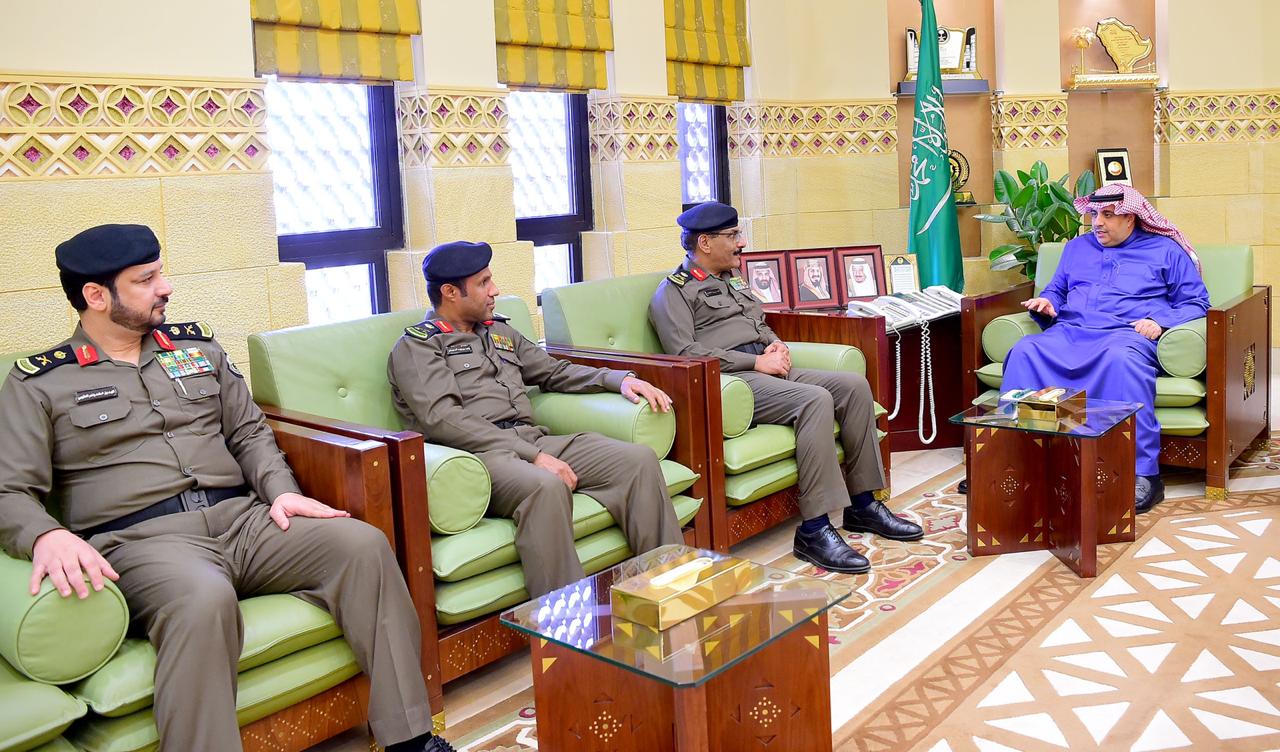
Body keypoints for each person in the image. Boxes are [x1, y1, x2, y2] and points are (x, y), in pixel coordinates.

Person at [0, 225, 451, 752]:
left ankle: (411, 740)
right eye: (146, 280)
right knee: (203, 598)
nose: (165, 287)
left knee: (363, 547)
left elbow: (248, 432)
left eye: (160, 273)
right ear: (96, 296)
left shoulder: (197, 348)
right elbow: (9, 489)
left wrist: (281, 490)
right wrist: (45, 535)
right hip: (145, 544)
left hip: (243, 520)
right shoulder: (40, 384)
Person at [388, 241, 683, 597]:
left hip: (533, 439)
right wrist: (534, 456)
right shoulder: (419, 347)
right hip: (480, 457)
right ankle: (567, 622)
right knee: (546, 486)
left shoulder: (498, 331)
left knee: (637, 460)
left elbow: (552, 371)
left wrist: (617, 379)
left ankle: (668, 591)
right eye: (483, 283)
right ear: (450, 292)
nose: (495, 290)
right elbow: (443, 419)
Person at [649, 202, 922, 574]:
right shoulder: (674, 292)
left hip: (768, 367)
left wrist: (776, 345)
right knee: (815, 400)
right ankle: (814, 530)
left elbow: (759, 323)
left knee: (854, 387)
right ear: (705, 243)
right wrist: (754, 363)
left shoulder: (732, 279)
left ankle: (863, 505)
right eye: (732, 236)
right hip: (734, 382)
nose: (741, 242)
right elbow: (684, 353)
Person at [1002, 185, 1210, 513]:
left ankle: (1141, 474)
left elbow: (1197, 302)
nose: (1097, 222)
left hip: (1125, 336)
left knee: (1120, 360)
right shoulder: (1076, 248)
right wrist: (1047, 302)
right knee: (1025, 351)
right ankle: (1015, 461)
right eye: (1094, 214)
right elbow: (1056, 289)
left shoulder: (1165, 250)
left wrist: (1160, 321)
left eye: (1108, 215)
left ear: (1131, 218)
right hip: (1070, 332)